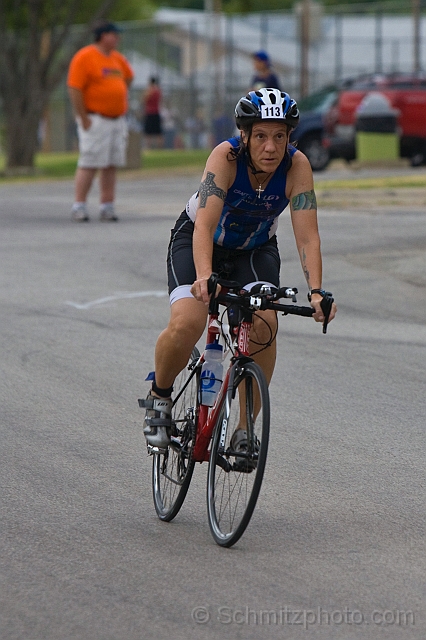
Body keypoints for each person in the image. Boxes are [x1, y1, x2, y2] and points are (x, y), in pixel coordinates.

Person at [141, 87, 336, 451]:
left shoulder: (297, 167)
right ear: (244, 135)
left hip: (254, 248)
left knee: (265, 322)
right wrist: (203, 277)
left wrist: (316, 292)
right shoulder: (225, 158)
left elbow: (308, 237)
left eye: (280, 137)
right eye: (260, 136)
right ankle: (159, 397)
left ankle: (244, 430)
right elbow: (204, 225)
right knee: (188, 321)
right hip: (200, 241)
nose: (270, 147)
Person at [67, 22, 134, 222]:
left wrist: (116, 95)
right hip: (95, 119)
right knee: (90, 162)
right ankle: (79, 205)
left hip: (116, 120)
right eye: (114, 35)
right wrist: (83, 116)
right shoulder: (85, 56)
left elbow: (128, 78)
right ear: (103, 36)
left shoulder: (117, 59)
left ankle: (107, 205)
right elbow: (74, 88)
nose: (117, 39)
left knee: (111, 163)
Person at [141, 77, 163, 149]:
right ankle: (159, 148)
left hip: (150, 113)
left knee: (149, 133)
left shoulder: (150, 91)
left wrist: (148, 91)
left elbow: (144, 99)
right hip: (156, 113)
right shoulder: (158, 90)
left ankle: (148, 147)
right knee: (158, 132)